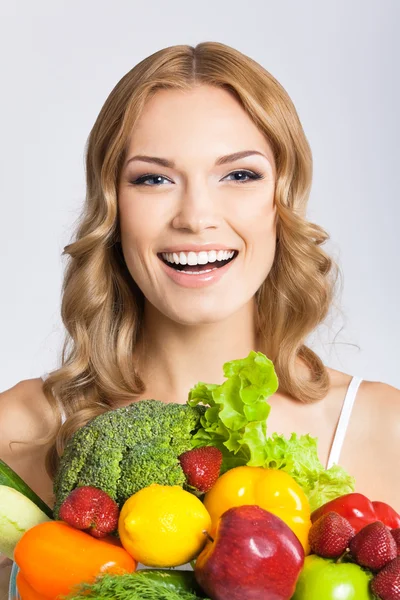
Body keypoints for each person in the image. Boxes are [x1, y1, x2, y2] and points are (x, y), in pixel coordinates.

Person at [1, 41, 399, 590]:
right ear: (112, 208)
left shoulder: (385, 430)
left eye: (239, 175)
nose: (195, 217)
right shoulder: (18, 433)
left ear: (283, 200)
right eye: (153, 178)